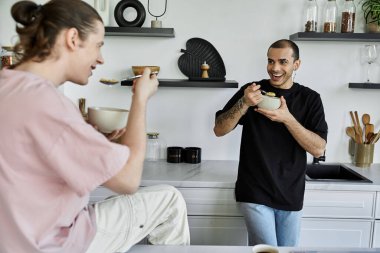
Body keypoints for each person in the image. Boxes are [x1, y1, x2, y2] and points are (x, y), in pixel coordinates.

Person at [0, 1, 190, 253]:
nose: (100, 58)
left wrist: (95, 141)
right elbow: (128, 180)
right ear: (73, 38)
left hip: (16, 237)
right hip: (54, 243)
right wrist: (140, 99)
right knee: (169, 198)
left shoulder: (8, 84)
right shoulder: (49, 104)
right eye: (98, 45)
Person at [213, 39, 328, 247]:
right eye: (270, 61)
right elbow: (219, 129)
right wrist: (245, 103)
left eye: (283, 62)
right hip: (254, 190)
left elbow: (318, 148)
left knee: (287, 251)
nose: (274, 68)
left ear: (296, 64)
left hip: (291, 193)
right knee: (267, 251)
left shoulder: (310, 99)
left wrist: (288, 119)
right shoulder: (252, 92)